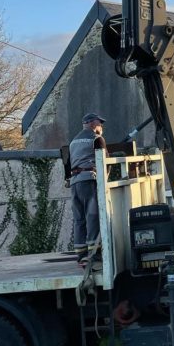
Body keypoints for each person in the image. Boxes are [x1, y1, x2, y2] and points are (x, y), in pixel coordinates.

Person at [69, 112, 107, 262]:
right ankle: (94, 253)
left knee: (79, 218)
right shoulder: (97, 139)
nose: (101, 126)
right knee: (92, 215)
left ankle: (81, 253)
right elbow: (104, 162)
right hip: (88, 180)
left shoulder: (73, 141)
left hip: (75, 181)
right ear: (92, 125)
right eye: (99, 124)